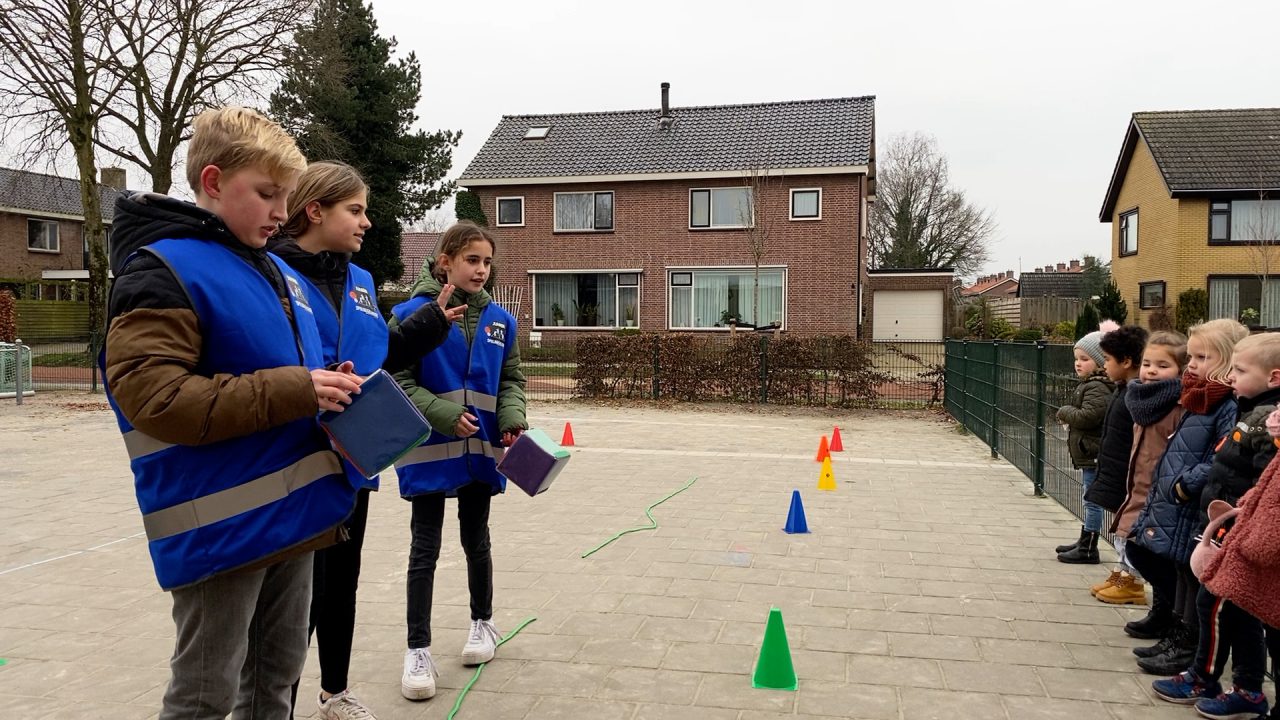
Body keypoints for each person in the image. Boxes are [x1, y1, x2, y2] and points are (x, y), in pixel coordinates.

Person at [101, 107, 363, 719]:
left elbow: (289, 372)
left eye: (288, 197)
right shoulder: (159, 272)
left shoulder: (274, 270)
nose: (281, 212)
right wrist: (298, 388)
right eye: (267, 194)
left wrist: (332, 390)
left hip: (293, 518)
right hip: (221, 529)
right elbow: (155, 400)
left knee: (275, 685)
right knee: (204, 699)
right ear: (213, 182)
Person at [268, 161, 464, 720]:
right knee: (293, 595)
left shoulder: (360, 281)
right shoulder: (271, 272)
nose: (366, 222)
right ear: (314, 211)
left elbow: (378, 355)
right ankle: (274, 699)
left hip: (354, 456)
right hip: (292, 457)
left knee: (341, 583)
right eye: (354, 210)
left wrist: (429, 325)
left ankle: (335, 694)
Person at [389, 221, 527, 701]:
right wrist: (445, 414)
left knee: (477, 540)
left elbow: (511, 378)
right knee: (423, 549)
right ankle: (417, 650)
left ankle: (482, 623)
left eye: (487, 262)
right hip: (429, 452)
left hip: (482, 453)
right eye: (472, 260)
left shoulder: (501, 322)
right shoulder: (410, 313)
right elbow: (395, 379)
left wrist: (511, 416)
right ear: (444, 260)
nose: (482, 270)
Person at [1151, 333, 1280, 717]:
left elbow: (1265, 484)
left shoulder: (1267, 422)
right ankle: (1242, 686)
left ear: (1274, 377)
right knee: (1224, 605)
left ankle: (1214, 678)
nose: (1232, 377)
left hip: (1244, 530)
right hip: (1232, 523)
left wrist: (1240, 519)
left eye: (1240, 370)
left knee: (1219, 603)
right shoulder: (1251, 410)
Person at [1128, 319, 1245, 676]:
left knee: (1193, 576)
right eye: (1191, 356)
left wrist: (1185, 483)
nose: (1191, 364)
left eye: (1201, 357)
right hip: (1180, 501)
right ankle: (1177, 633)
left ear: (1226, 361)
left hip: (1196, 500)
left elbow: (1224, 455)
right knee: (1178, 568)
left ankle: (1189, 646)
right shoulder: (1197, 397)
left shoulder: (1226, 406)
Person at [1109, 331, 1187, 641]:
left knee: (1153, 554)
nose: (1151, 371)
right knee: (1137, 548)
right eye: (1147, 363)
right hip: (1139, 486)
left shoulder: (1178, 405)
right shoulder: (1140, 399)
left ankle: (1173, 616)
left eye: (1163, 365)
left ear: (1181, 370)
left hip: (1165, 492)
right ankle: (1163, 610)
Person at [1082, 324, 1150, 603]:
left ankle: (1131, 580)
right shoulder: (1122, 389)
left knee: (1128, 528)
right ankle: (1122, 572)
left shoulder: (1136, 394)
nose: (1105, 365)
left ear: (1126, 361)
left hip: (1126, 472)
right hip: (1115, 468)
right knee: (1120, 526)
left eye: (1108, 360)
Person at [1054, 323, 1117, 564]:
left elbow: (1089, 416)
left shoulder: (1097, 387)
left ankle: (1089, 546)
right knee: (1088, 499)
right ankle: (1085, 539)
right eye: (1077, 358)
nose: (1078, 363)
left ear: (1101, 362)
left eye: (1085, 359)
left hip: (1093, 452)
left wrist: (1065, 411)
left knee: (1091, 500)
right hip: (1089, 452)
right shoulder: (1091, 385)